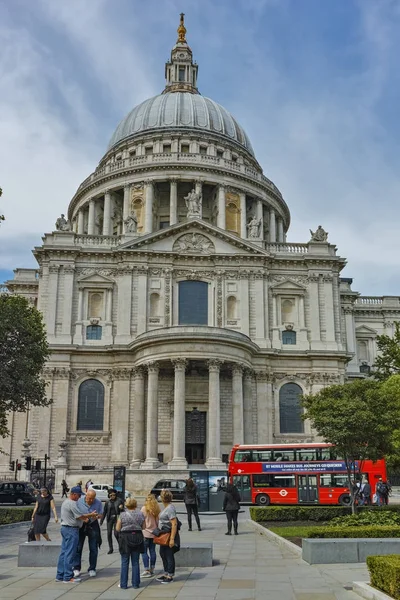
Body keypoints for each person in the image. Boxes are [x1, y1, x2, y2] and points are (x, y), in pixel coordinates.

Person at [56, 486, 98, 584]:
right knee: (70, 554)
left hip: (65, 528)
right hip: (71, 530)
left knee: (63, 553)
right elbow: (80, 516)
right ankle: (68, 576)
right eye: (79, 495)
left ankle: (60, 575)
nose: (79, 497)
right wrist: (91, 515)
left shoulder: (66, 502)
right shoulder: (72, 503)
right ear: (73, 494)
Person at [115, 497, 145, 590]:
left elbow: (117, 528)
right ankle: (136, 583)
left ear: (127, 505)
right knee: (135, 562)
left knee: (125, 561)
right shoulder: (140, 514)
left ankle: (124, 584)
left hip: (125, 538)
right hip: (137, 537)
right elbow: (144, 527)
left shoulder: (122, 515)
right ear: (135, 504)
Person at [73, 489, 103, 578]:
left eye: (92, 499)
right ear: (86, 496)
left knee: (93, 547)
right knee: (78, 547)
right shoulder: (79, 501)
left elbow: (101, 514)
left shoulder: (98, 502)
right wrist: (83, 518)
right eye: (89, 498)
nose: (90, 500)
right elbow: (76, 513)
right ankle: (76, 567)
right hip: (81, 524)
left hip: (93, 524)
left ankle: (92, 568)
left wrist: (97, 516)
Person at [156, 489, 180, 585]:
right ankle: (166, 573)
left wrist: (172, 539)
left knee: (169, 555)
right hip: (163, 534)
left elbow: (174, 524)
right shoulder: (166, 507)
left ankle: (170, 575)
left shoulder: (170, 508)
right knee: (163, 553)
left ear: (163, 498)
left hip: (169, 535)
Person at [140, 494, 160, 578]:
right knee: (152, 551)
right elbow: (158, 521)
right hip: (154, 533)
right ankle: (152, 568)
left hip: (145, 532)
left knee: (144, 552)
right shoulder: (156, 509)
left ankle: (146, 569)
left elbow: (141, 520)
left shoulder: (144, 508)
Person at [100, 489, 124, 554]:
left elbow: (123, 510)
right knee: (109, 534)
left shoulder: (119, 500)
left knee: (116, 534)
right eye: (111, 495)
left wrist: (121, 508)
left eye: (114, 495)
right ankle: (111, 548)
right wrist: (102, 520)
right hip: (109, 519)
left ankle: (121, 547)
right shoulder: (107, 502)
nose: (113, 496)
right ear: (109, 495)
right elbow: (105, 511)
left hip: (117, 518)